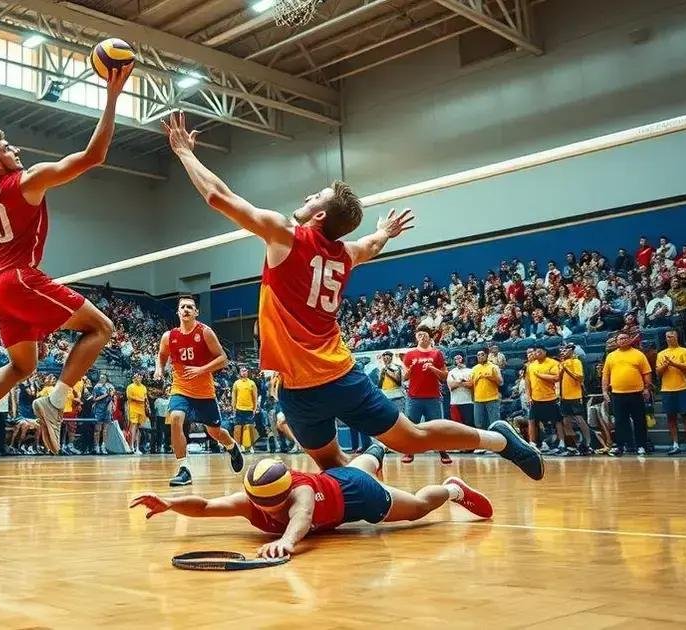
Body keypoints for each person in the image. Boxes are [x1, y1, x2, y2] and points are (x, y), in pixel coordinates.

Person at [162, 111, 542, 480]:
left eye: (317, 196)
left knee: (409, 438)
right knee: (340, 467)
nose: (309, 195)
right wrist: (386, 233)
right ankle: (384, 459)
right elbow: (370, 245)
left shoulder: (285, 235)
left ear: (320, 217)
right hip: (299, 387)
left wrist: (184, 152)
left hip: (334, 376)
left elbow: (217, 195)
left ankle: (500, 440)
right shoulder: (346, 254)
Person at [0, 64, 135, 476]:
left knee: (23, 366)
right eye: (7, 148)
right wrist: (111, 96)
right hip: (20, 276)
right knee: (101, 328)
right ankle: (55, 402)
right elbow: (94, 156)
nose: (15, 150)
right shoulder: (26, 181)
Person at [129, 446, 493, 558]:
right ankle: (374, 452)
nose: (271, 508)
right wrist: (171, 502)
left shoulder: (298, 493)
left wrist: (287, 542)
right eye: (265, 504)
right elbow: (207, 506)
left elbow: (302, 516)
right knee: (358, 467)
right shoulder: (250, 501)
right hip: (335, 480)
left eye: (277, 501)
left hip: (355, 497)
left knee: (416, 508)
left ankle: (452, 490)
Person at [155, 296, 243, 486]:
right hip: (180, 388)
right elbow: (161, 356)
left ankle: (231, 446)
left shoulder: (205, 332)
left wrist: (201, 370)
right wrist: (159, 369)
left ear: (196, 312)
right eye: (183, 307)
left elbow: (223, 358)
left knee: (215, 432)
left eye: (190, 307)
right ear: (178, 312)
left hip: (204, 392)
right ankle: (184, 469)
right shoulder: (169, 336)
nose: (186, 309)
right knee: (176, 418)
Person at [401, 326, 450, 464]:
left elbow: (444, 376)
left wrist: (432, 368)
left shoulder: (437, 354)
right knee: (411, 426)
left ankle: (442, 451)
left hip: (433, 397)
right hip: (414, 397)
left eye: (424, 334)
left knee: (437, 427)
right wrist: (409, 371)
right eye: (419, 334)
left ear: (429, 337)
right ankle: (409, 452)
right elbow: (404, 377)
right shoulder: (410, 354)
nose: (422, 337)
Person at [601, 332, 652, 456]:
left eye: (625, 338)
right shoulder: (611, 356)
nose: (622, 340)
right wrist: (604, 390)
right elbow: (606, 375)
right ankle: (622, 446)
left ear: (629, 339)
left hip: (636, 393)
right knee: (619, 421)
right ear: (617, 341)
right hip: (617, 394)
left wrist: (646, 389)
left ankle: (641, 446)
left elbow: (647, 373)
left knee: (639, 420)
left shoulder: (638, 354)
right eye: (620, 339)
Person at [656, 329, 686, 455]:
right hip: (667, 389)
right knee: (670, 418)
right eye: (667, 337)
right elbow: (658, 373)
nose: (670, 338)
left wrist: (674, 363)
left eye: (672, 336)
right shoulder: (661, 354)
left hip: (683, 387)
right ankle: (675, 444)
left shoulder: (684, 351)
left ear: (677, 337)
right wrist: (666, 365)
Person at [525, 345, 561, 452]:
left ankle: (561, 443)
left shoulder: (553, 363)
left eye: (539, 352)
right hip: (535, 398)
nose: (537, 354)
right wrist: (528, 396)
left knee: (557, 421)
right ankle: (532, 443)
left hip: (550, 397)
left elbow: (556, 377)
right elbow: (528, 383)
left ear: (545, 352)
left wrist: (541, 375)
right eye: (536, 352)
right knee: (531, 420)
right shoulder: (530, 366)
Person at [557, 345, 590, 455]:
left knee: (579, 419)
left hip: (575, 395)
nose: (563, 351)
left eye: (566, 349)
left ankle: (588, 444)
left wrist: (567, 370)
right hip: (564, 396)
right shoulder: (561, 363)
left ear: (571, 351)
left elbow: (580, 377)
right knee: (566, 421)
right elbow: (558, 379)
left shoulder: (576, 362)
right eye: (562, 349)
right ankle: (573, 446)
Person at [469, 350, 503, 429]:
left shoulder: (494, 367)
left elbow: (501, 382)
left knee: (495, 424)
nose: (480, 357)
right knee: (478, 424)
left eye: (482, 355)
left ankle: (496, 440)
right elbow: (471, 385)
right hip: (478, 400)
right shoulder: (474, 369)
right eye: (478, 355)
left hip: (492, 399)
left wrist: (491, 377)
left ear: (486, 356)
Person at [231, 367, 259, 453]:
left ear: (247, 372)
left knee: (249, 428)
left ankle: (249, 446)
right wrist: (233, 408)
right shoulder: (236, 383)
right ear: (240, 373)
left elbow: (255, 396)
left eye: (245, 371)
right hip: (239, 409)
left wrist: (255, 408)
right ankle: (238, 446)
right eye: (242, 371)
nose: (244, 372)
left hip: (249, 409)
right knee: (237, 428)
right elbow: (234, 396)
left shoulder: (252, 383)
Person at [446, 353, 474, 429]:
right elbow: (451, 386)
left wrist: (457, 383)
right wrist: (462, 381)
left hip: (468, 402)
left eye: (459, 358)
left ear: (463, 359)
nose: (458, 360)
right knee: (457, 427)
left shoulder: (470, 371)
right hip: (455, 402)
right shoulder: (451, 372)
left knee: (469, 426)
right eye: (456, 359)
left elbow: (471, 385)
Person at [92, 374, 115, 455]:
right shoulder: (96, 387)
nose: (102, 379)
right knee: (98, 430)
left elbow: (112, 396)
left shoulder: (110, 386)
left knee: (105, 430)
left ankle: (103, 446)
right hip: (99, 410)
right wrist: (105, 395)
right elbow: (94, 399)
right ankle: (96, 446)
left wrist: (111, 394)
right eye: (101, 377)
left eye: (104, 378)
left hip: (107, 410)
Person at [125, 373, 149, 455]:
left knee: (139, 428)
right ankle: (131, 447)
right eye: (138, 377)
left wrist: (147, 407)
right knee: (133, 427)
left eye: (140, 376)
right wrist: (140, 400)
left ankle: (137, 447)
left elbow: (145, 398)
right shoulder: (130, 387)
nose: (139, 378)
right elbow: (129, 397)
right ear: (134, 378)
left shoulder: (144, 387)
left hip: (141, 410)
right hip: (133, 409)